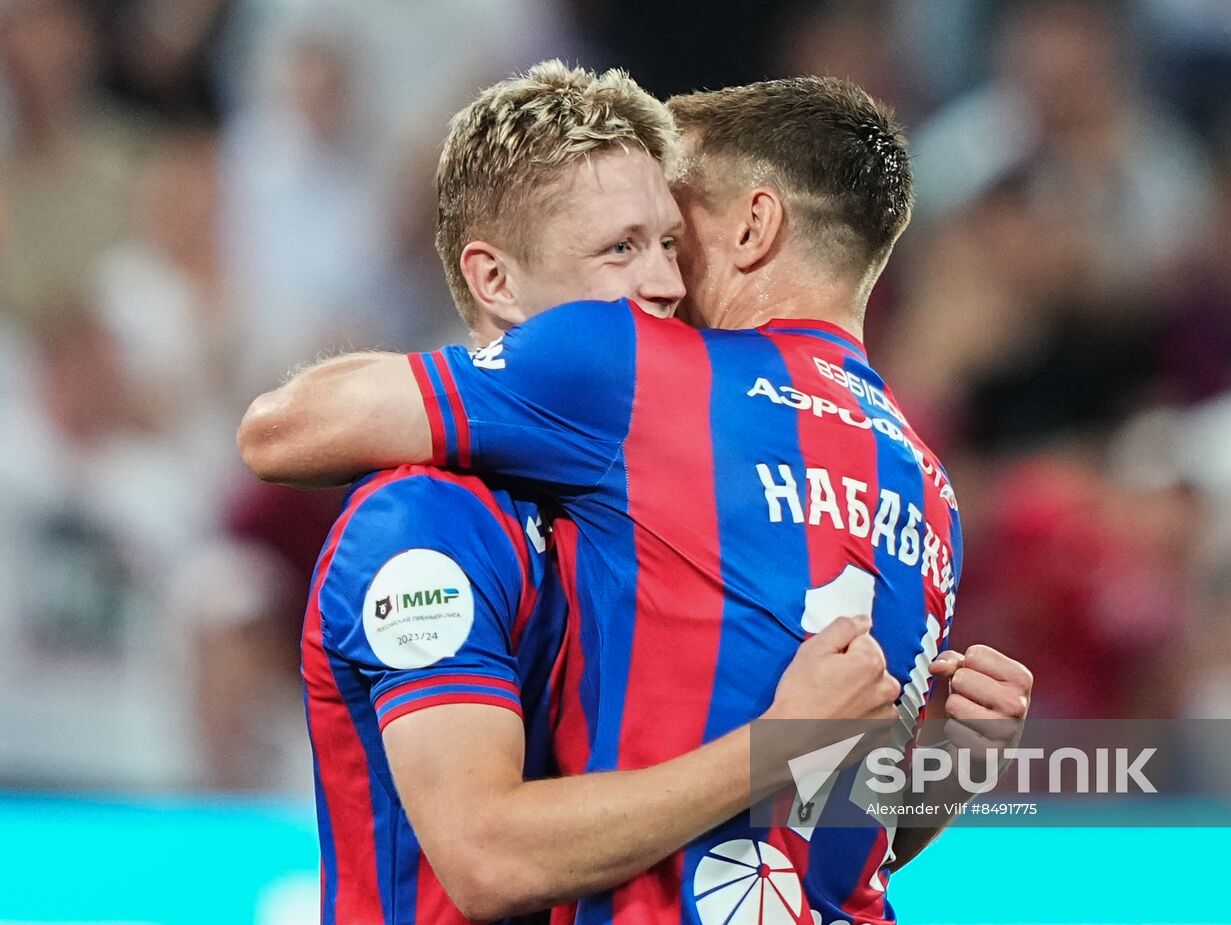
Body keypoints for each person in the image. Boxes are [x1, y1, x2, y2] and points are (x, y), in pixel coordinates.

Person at [242, 64, 1034, 924]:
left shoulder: (646, 453)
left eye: (670, 239)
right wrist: (786, 745)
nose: (664, 281)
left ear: (757, 223)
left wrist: (943, 771)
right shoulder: (426, 520)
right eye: (624, 248)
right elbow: (488, 854)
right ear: (495, 281)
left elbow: (810, 832)